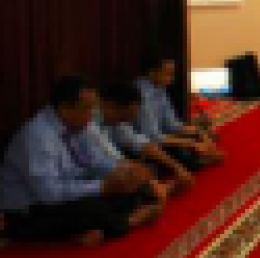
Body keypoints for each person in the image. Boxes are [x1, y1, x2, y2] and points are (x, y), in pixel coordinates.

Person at [0, 77, 164, 245]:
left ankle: (92, 229)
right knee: (92, 209)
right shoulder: (38, 136)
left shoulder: (77, 127)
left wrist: (128, 173)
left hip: (68, 196)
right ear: (65, 108)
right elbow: (49, 194)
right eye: (87, 108)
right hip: (30, 210)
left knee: (135, 192)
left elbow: (94, 162)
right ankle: (130, 221)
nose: (92, 115)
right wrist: (103, 187)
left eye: (94, 108)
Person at [99, 82, 195, 190]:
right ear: (110, 106)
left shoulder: (118, 122)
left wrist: (178, 167)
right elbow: (108, 160)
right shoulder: (90, 126)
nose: (126, 121)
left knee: (151, 165)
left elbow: (142, 144)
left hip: (116, 164)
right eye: (125, 116)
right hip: (96, 176)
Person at [135, 56, 224, 169]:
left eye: (172, 74)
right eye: (167, 74)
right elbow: (154, 137)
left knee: (204, 133)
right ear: (152, 72)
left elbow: (172, 125)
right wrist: (190, 143)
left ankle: (201, 154)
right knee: (183, 151)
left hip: (163, 135)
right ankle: (198, 159)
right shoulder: (141, 96)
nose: (172, 79)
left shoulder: (159, 87)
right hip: (149, 144)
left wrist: (199, 133)